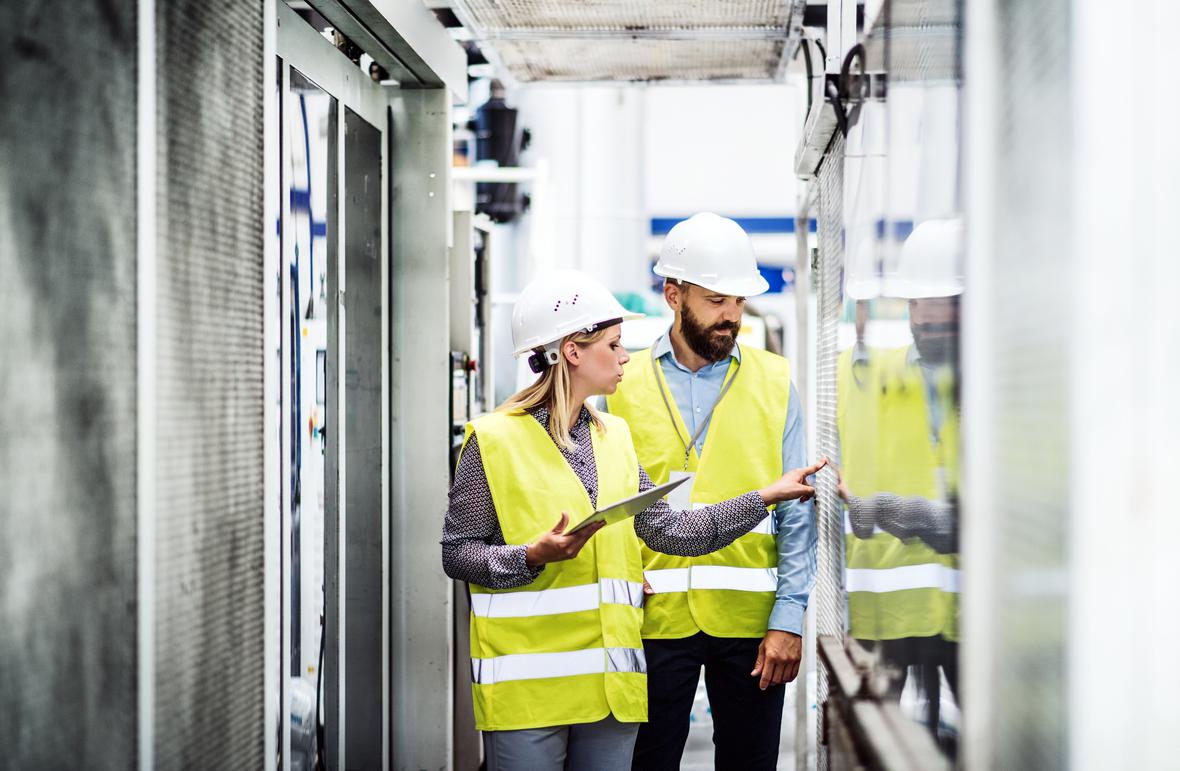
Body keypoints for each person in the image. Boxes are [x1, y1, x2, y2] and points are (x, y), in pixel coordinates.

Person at [441, 269, 826, 771]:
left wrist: (764, 497)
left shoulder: (613, 437)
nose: (627, 357)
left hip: (610, 690)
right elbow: (457, 552)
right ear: (572, 352)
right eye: (615, 344)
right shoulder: (492, 440)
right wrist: (531, 556)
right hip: (529, 691)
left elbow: (673, 531)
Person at [604, 213, 815, 771]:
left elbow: (799, 510)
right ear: (674, 295)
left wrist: (788, 619)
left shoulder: (773, 381)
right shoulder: (621, 384)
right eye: (718, 300)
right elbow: (603, 503)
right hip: (651, 619)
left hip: (751, 627)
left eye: (740, 303)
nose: (732, 317)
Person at [836, 218, 962, 744]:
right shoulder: (855, 376)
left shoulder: (1003, 386)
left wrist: (882, 508)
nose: (925, 319)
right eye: (916, 306)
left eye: (940, 307)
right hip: (882, 613)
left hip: (972, 616)